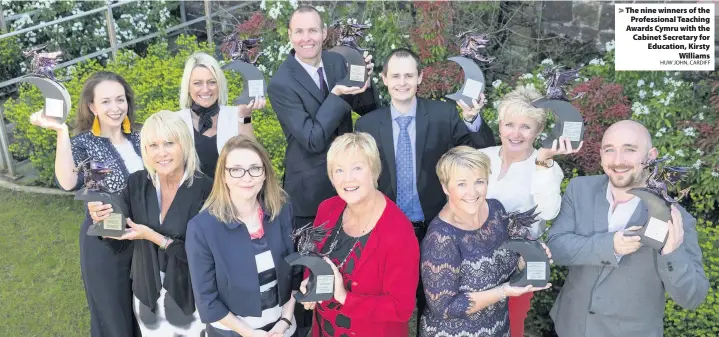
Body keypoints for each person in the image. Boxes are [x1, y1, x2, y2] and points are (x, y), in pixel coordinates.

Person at [354, 48, 496, 329]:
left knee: (433, 304)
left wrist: (472, 119)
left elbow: (482, 154)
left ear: (420, 77)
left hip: (436, 228)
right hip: (387, 229)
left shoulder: (444, 114)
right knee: (389, 303)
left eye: (409, 75)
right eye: (395, 75)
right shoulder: (368, 124)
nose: (402, 82)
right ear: (384, 78)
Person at [267, 6, 379, 334]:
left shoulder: (337, 63)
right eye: (299, 32)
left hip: (350, 185)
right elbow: (313, 138)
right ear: (290, 36)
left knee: (351, 266)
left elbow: (368, 108)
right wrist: (339, 93)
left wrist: (364, 81)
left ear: (324, 32)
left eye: (313, 31)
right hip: (310, 195)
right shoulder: (281, 83)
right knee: (312, 273)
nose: (307, 38)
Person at [546, 120, 709, 337]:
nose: (618, 160)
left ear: (651, 156)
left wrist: (671, 253)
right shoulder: (580, 189)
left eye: (629, 150)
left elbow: (693, 297)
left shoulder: (674, 216)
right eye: (609, 150)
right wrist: (610, 245)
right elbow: (555, 247)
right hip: (570, 326)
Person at [30, 71, 142, 337]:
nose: (115, 108)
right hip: (106, 245)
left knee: (146, 316)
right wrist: (61, 131)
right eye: (105, 102)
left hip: (144, 238)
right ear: (92, 106)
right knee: (115, 321)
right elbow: (69, 181)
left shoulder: (140, 137)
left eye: (120, 99)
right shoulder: (84, 143)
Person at [89, 110, 214, 336]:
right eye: (153, 145)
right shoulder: (137, 182)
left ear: (184, 144)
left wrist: (154, 237)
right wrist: (102, 216)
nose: (161, 153)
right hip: (147, 295)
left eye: (169, 143)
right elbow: (119, 234)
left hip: (190, 298)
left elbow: (207, 255)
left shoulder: (205, 188)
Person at [477, 84, 582, 337]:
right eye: (509, 124)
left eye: (526, 126)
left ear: (538, 130)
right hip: (475, 260)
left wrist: (544, 161)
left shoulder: (545, 165)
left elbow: (548, 213)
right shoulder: (482, 157)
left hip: (518, 263)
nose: (516, 133)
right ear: (499, 124)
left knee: (510, 325)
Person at [419, 146, 552, 337]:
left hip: (498, 327)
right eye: (462, 184)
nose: (472, 192)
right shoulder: (441, 238)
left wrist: (530, 257)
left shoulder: (496, 211)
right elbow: (445, 308)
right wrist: (503, 291)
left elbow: (509, 261)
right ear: (446, 187)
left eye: (479, 181)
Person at [298, 132, 419, 337]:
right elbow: (313, 255)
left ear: (373, 170)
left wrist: (344, 297)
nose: (347, 178)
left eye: (357, 168)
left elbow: (401, 308)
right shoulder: (327, 209)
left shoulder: (398, 232)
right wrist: (310, 282)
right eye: (339, 170)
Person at [186, 135, 299, 337]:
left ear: (265, 174)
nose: (247, 177)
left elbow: (296, 274)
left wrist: (284, 321)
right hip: (232, 332)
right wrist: (249, 333)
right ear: (224, 176)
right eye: (236, 170)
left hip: (283, 328)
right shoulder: (202, 228)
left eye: (255, 168)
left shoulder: (282, 211)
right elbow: (207, 300)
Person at [177, 51, 265, 178]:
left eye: (212, 82)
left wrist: (245, 117)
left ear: (219, 84)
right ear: (188, 86)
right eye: (198, 83)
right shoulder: (177, 121)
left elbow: (252, 155)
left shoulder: (235, 113)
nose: (206, 89)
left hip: (231, 194)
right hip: (192, 196)